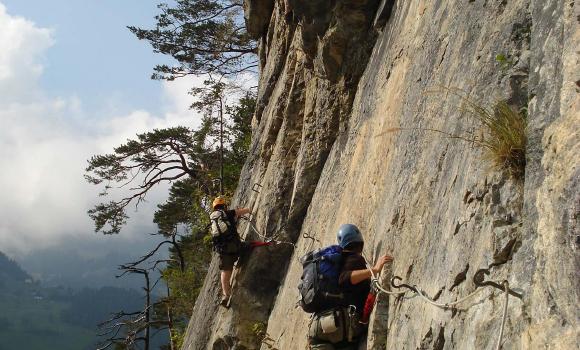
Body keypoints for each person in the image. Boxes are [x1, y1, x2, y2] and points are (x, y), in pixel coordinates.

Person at [309, 224, 393, 349]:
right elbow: (345, 279)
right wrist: (374, 270)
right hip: (338, 328)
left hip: (322, 328)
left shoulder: (339, 261)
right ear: (360, 242)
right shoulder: (354, 259)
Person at [209, 196, 251, 307]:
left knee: (225, 271)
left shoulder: (213, 219)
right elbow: (240, 212)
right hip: (235, 246)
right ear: (224, 205)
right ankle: (241, 261)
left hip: (223, 250)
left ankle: (226, 295)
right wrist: (249, 209)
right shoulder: (226, 213)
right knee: (249, 245)